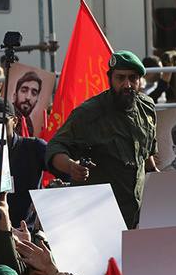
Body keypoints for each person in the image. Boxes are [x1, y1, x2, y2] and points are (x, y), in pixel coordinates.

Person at [46, 51, 159, 229]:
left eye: (133, 78)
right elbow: (55, 146)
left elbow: (146, 153)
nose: (127, 84)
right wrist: (71, 167)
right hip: (102, 216)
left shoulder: (147, 107)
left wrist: (159, 180)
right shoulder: (88, 114)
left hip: (140, 214)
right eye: (120, 78)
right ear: (110, 79)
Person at [0, 97, 57, 227]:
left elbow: (67, 176)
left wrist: (46, 200)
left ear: (14, 121)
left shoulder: (34, 147)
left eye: (1, 121)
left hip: (27, 232)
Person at [11, 71, 42, 137]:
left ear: (36, 101)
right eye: (24, 91)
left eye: (34, 93)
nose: (28, 97)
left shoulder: (29, 124)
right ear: (15, 96)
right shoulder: (8, 118)